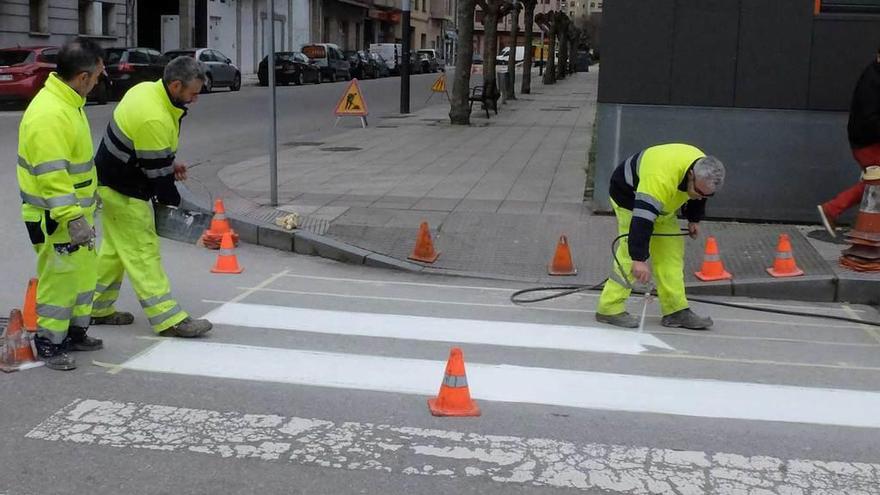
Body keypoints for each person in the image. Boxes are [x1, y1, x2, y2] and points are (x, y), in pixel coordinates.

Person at [89, 56, 212, 338]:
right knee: (143, 251)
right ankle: (168, 319)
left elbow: (151, 154)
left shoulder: (147, 90)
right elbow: (160, 182)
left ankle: (96, 306)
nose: (195, 99)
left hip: (112, 180)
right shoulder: (153, 116)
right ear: (176, 85)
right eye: (193, 93)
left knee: (115, 250)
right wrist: (180, 214)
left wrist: (168, 163)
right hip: (124, 189)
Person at [16, 38, 105, 370]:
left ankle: (74, 332)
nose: (99, 81)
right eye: (97, 75)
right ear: (82, 77)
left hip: (73, 214)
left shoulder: (69, 102)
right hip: (56, 217)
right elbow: (53, 176)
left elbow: (75, 166)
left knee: (82, 275)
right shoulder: (50, 114)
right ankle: (49, 343)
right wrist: (72, 217)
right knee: (59, 279)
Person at [595, 144, 726, 331]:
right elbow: (641, 220)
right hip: (631, 200)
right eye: (698, 192)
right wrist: (639, 259)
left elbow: (702, 193)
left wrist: (694, 218)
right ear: (691, 175)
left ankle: (676, 310)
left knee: (671, 254)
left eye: (707, 195)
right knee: (627, 256)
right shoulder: (659, 179)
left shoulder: (704, 168)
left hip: (663, 205)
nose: (700, 197)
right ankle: (609, 308)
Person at [818, 47, 880, 237]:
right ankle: (832, 208)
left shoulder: (874, 76)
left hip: (867, 139)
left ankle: (834, 209)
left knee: (875, 180)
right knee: (875, 180)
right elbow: (870, 121)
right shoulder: (873, 81)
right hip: (868, 142)